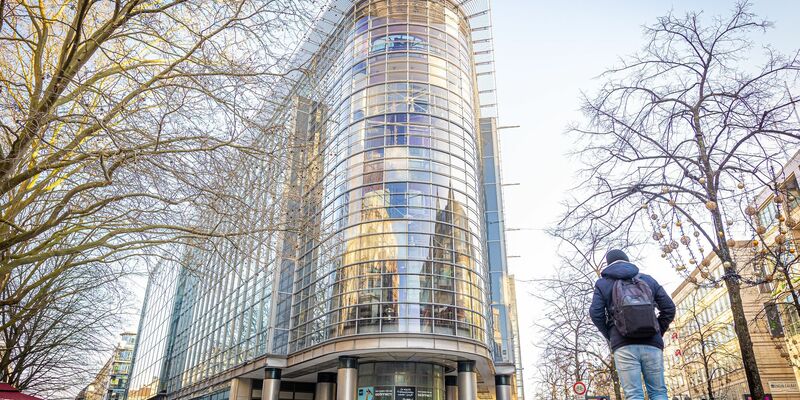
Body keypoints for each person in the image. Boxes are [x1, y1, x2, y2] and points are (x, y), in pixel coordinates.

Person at [589, 249, 676, 400]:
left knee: (634, 394)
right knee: (659, 392)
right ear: (627, 261)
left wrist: (611, 334)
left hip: (623, 344)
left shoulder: (603, 284)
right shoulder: (648, 280)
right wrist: (657, 330)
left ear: (609, 264)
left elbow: (596, 313)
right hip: (652, 343)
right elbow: (669, 308)